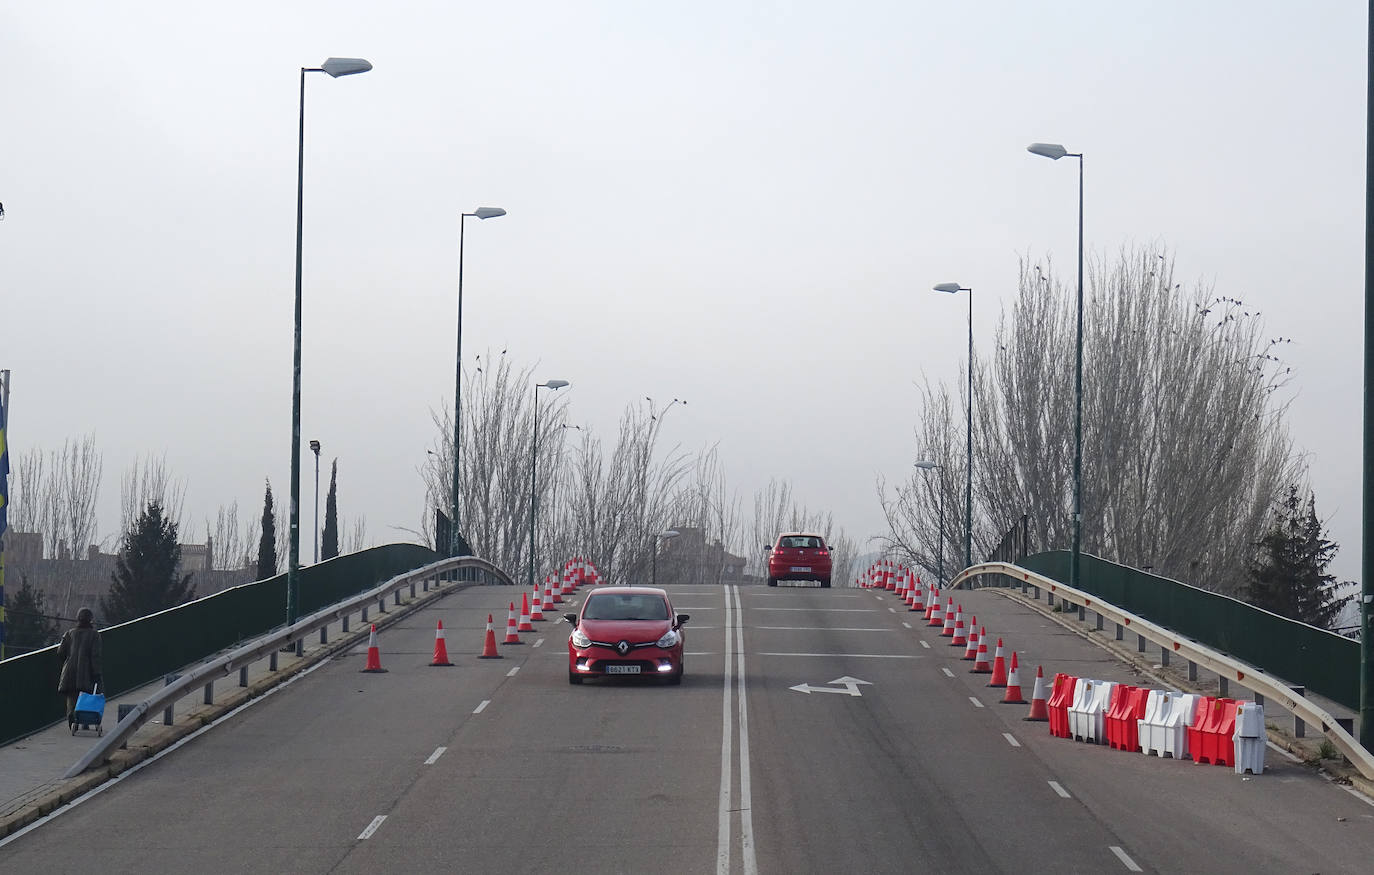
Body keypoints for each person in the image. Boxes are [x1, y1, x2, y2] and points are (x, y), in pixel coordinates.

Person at [57, 607, 102, 728]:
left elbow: (60, 652)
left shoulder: (69, 634)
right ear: (90, 620)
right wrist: (96, 673)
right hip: (86, 672)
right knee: (86, 696)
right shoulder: (94, 635)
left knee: (71, 697)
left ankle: (72, 718)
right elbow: (95, 656)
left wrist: (67, 661)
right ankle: (84, 721)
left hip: (69, 671)